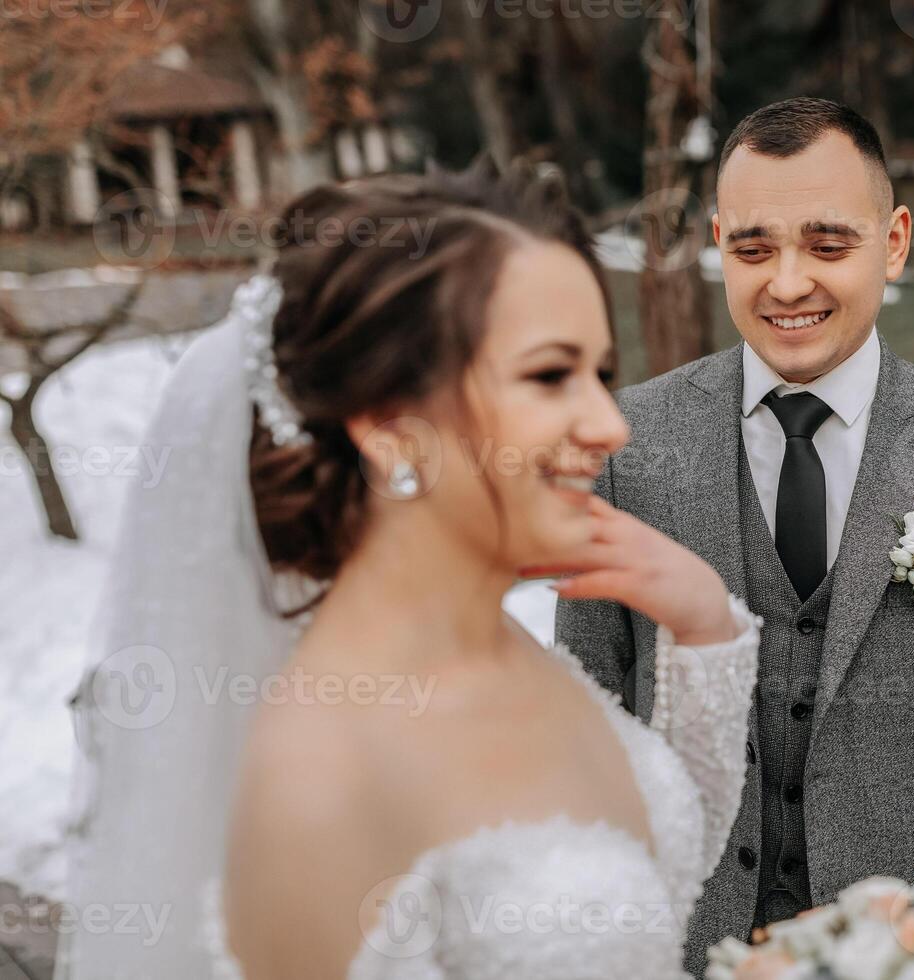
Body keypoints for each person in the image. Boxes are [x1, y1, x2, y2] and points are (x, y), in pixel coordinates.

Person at [59, 158, 762, 980]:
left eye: (602, 374)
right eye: (549, 375)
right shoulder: (322, 774)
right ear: (391, 429)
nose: (610, 423)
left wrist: (705, 626)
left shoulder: (508, 649)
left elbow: (651, 884)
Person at [556, 98, 914, 976]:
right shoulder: (625, 447)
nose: (788, 282)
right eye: (754, 248)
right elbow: (587, 729)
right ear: (718, 243)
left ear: (896, 241)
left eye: (829, 244)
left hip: (913, 955)